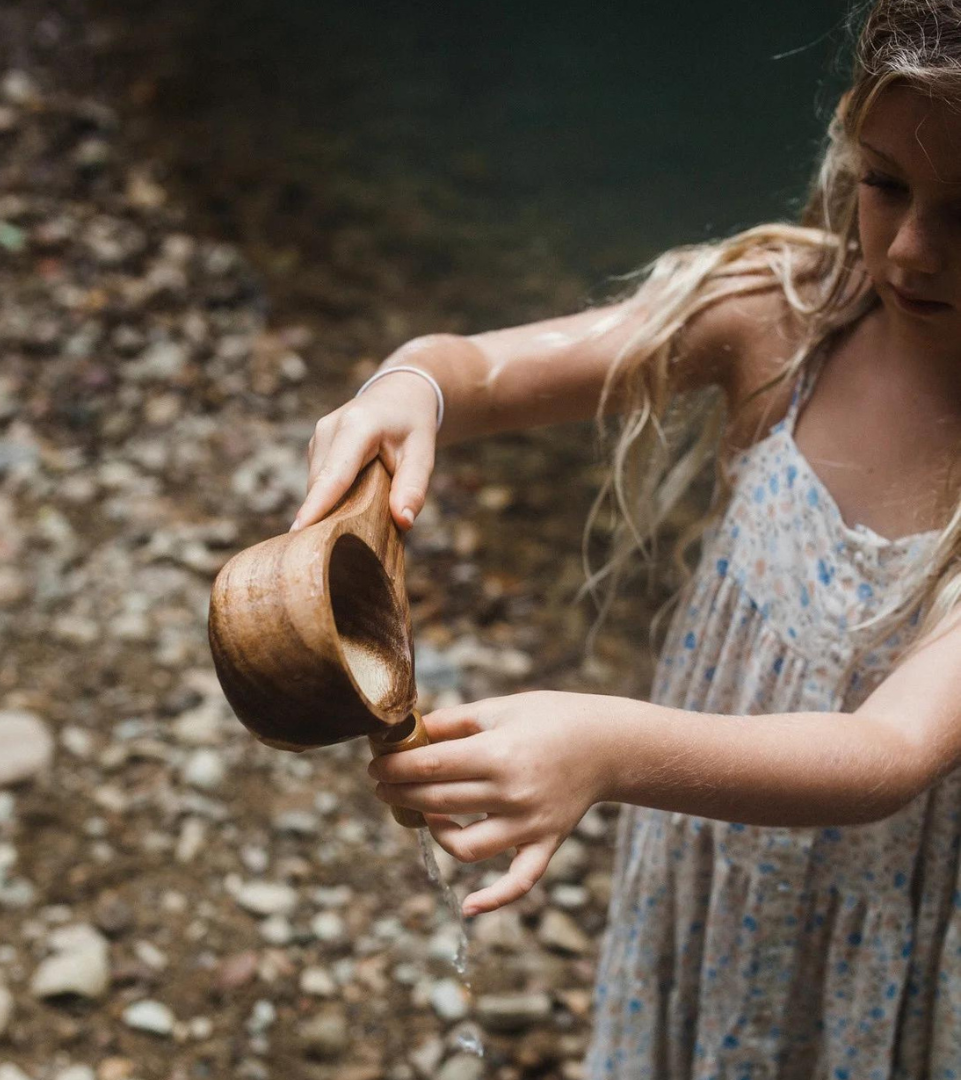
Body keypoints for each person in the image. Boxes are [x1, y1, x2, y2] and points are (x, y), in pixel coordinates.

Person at [289, 1, 961, 1075]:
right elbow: (482, 371)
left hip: (895, 916)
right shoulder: (787, 315)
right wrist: (408, 388)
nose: (914, 248)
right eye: (888, 184)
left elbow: (887, 755)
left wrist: (606, 748)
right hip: (706, 852)